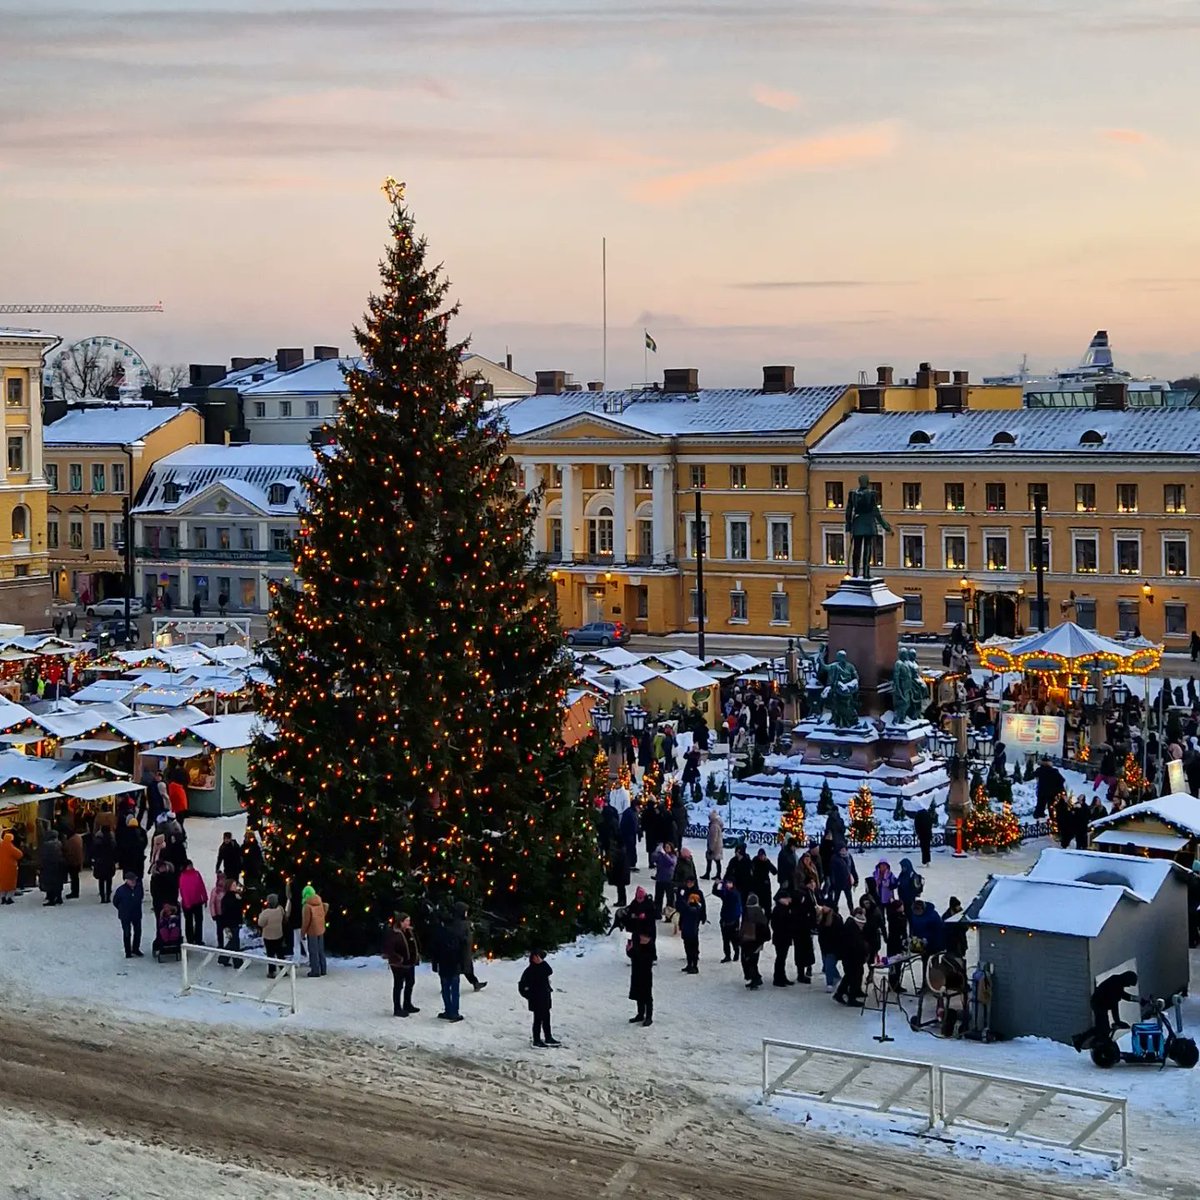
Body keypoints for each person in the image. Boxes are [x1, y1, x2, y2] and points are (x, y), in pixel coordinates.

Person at [1073, 971, 1139, 1051]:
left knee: (1102, 1028)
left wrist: (1138, 1000)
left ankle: (1087, 1040)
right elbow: (1114, 1005)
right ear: (1127, 980)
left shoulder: (1118, 981)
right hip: (1099, 1004)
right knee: (1103, 1028)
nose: (1128, 986)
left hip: (1100, 1004)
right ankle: (1088, 1042)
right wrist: (1117, 1021)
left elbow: (1123, 995)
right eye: (1129, 984)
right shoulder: (1116, 984)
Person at [383, 911, 420, 1017]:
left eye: (409, 920)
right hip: (398, 964)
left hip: (410, 963)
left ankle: (407, 1004)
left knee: (410, 982)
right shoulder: (394, 934)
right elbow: (389, 950)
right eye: (406, 921)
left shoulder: (409, 931)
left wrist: (416, 956)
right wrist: (399, 958)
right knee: (398, 985)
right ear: (401, 922)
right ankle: (397, 1008)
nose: (408, 923)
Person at [519, 949, 558, 1046]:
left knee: (546, 1019)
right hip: (536, 999)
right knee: (537, 1020)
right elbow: (522, 986)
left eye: (538, 957)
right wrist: (529, 996)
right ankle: (536, 1040)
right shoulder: (529, 971)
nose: (537, 959)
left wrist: (542, 962)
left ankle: (548, 1037)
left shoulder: (543, 967)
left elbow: (549, 971)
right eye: (535, 957)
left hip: (545, 997)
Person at [433, 910, 466, 1021]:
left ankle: (448, 1010)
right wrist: (462, 964)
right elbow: (462, 950)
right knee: (455, 990)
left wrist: (435, 964)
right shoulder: (457, 934)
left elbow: (435, 951)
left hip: (443, 965)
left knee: (445, 989)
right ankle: (454, 1012)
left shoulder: (439, 934)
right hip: (455, 965)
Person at [833, 908, 868, 1006]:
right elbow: (855, 945)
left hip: (850, 957)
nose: (862, 926)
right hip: (851, 957)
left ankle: (839, 993)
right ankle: (851, 999)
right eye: (861, 924)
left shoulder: (851, 926)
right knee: (853, 977)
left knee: (849, 976)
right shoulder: (852, 930)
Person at [451, 901, 487, 991]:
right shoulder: (460, 924)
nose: (466, 913)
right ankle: (448, 986)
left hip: (464, 951)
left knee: (467, 969)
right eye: (465, 911)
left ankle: (475, 983)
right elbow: (461, 937)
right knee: (459, 969)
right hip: (461, 951)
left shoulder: (461, 923)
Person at [739, 892, 769, 990]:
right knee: (753, 961)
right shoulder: (759, 912)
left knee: (749, 961)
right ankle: (756, 978)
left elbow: (746, 928)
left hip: (750, 941)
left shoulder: (749, 912)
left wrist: (741, 939)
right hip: (756, 941)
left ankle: (754, 980)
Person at [113, 872, 144, 958]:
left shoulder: (139, 888)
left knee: (138, 932)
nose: (133, 881)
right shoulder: (120, 890)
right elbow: (115, 901)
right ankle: (128, 951)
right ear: (126, 880)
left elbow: (140, 897)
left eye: (134, 879)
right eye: (131, 880)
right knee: (127, 933)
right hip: (125, 915)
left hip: (136, 914)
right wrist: (122, 908)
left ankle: (136, 949)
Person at [628, 931, 655, 1027]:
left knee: (647, 995)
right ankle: (640, 1014)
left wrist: (636, 952)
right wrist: (629, 950)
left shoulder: (650, 946)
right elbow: (632, 955)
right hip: (636, 972)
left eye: (644, 937)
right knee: (638, 994)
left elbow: (648, 958)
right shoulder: (637, 942)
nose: (642, 938)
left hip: (646, 973)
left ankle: (649, 1017)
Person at [300, 884, 328, 977]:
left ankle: (315, 971)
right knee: (321, 950)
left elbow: (306, 922)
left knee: (313, 951)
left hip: (312, 931)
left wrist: (302, 933)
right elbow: (326, 906)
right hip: (321, 928)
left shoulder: (307, 906)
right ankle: (323, 969)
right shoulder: (319, 902)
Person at [178, 859, 207, 944]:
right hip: (188, 903)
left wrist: (205, 898)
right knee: (189, 922)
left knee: (199, 921)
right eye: (189, 865)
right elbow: (183, 890)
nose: (191, 867)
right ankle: (190, 939)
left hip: (197, 901)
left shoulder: (196, 874)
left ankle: (198, 939)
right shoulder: (183, 876)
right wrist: (187, 902)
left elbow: (201, 886)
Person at [257, 894, 287, 975]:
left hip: (268, 936)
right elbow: (284, 918)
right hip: (279, 934)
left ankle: (272, 971)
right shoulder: (280, 909)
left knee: (270, 954)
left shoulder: (266, 912)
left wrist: (261, 914)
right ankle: (283, 969)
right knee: (280, 953)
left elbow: (260, 923)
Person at [714, 878, 742, 963]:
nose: (728, 884)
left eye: (730, 883)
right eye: (727, 883)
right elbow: (715, 892)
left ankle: (736, 952)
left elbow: (728, 897)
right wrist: (716, 884)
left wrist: (722, 886)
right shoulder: (726, 892)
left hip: (734, 919)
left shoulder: (735, 894)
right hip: (725, 919)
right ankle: (727, 955)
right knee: (725, 939)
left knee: (734, 939)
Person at [770, 890, 795, 987]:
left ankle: (782, 977)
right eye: (787, 898)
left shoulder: (786, 908)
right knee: (780, 958)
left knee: (782, 958)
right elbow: (776, 925)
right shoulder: (778, 910)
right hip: (781, 938)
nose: (789, 900)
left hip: (785, 937)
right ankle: (778, 978)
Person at [816, 905, 843, 992]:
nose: (823, 907)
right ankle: (836, 977)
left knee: (829, 965)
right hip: (824, 945)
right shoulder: (822, 916)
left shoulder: (836, 919)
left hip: (833, 946)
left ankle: (829, 984)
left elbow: (839, 934)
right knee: (827, 964)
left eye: (826, 906)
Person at [678, 891, 706, 975]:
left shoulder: (695, 909)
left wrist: (682, 899)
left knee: (693, 950)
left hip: (692, 933)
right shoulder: (691, 908)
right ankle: (689, 964)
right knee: (688, 950)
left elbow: (689, 910)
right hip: (687, 932)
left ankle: (694, 966)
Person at [218, 879, 243, 966]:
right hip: (231, 923)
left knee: (233, 941)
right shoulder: (228, 898)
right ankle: (237, 962)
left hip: (234, 922)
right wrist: (226, 926)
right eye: (233, 885)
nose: (235, 887)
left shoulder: (235, 897)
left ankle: (223, 958)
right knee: (235, 942)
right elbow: (227, 912)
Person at [89, 825, 116, 903]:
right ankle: (108, 896)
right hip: (109, 862)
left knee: (101, 880)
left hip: (100, 862)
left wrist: (93, 860)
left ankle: (102, 897)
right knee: (109, 880)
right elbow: (115, 851)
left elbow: (93, 851)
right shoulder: (112, 840)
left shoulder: (97, 840)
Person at [650, 841, 676, 920]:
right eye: (665, 847)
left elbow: (671, 862)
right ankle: (657, 913)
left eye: (668, 847)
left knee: (670, 899)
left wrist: (665, 855)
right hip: (660, 879)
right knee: (658, 898)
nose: (666, 849)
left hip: (669, 880)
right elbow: (653, 859)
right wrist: (656, 851)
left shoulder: (673, 856)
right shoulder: (660, 855)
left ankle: (669, 915)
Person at [39, 830, 65, 907]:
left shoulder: (46, 845)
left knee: (50, 883)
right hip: (59, 865)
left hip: (49, 866)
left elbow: (43, 857)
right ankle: (59, 898)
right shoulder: (59, 843)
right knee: (58, 882)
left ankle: (51, 899)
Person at [828, 845, 858, 913]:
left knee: (849, 898)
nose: (843, 851)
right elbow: (832, 871)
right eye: (842, 850)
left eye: (844, 849)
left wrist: (856, 879)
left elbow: (852, 869)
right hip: (838, 882)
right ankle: (834, 912)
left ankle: (852, 911)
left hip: (847, 881)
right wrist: (833, 882)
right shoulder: (835, 858)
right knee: (836, 898)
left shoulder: (849, 857)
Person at [0, 829, 23, 905]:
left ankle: (2, 897)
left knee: (2, 884)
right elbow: (19, 854)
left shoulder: (1, 845)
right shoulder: (10, 846)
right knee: (11, 883)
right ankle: (9, 898)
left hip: (1, 867)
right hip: (10, 867)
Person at [606, 839, 629, 909]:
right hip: (622, 872)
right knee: (621, 888)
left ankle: (621, 901)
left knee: (620, 888)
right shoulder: (622, 851)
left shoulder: (619, 852)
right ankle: (622, 900)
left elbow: (617, 862)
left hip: (620, 873)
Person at [704, 809, 724, 880]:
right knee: (717, 861)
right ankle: (718, 874)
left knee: (710, 860)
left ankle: (708, 874)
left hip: (714, 847)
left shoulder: (714, 826)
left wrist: (711, 848)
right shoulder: (717, 824)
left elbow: (713, 838)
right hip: (718, 846)